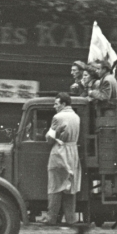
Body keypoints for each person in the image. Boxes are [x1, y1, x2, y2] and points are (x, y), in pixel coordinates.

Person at [43, 92, 81, 225]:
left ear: (63, 104)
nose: (54, 106)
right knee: (70, 187)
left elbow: (49, 139)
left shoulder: (57, 117)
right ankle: (71, 219)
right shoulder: (76, 117)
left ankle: (51, 218)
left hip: (59, 153)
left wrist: (48, 135)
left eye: (56, 103)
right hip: (73, 153)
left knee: (55, 186)